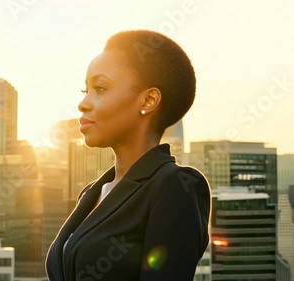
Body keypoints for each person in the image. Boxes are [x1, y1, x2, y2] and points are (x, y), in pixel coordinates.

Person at [45, 30, 211, 281]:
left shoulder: (177, 186)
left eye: (100, 88)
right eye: (85, 89)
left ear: (148, 100)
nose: (83, 103)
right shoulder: (92, 193)